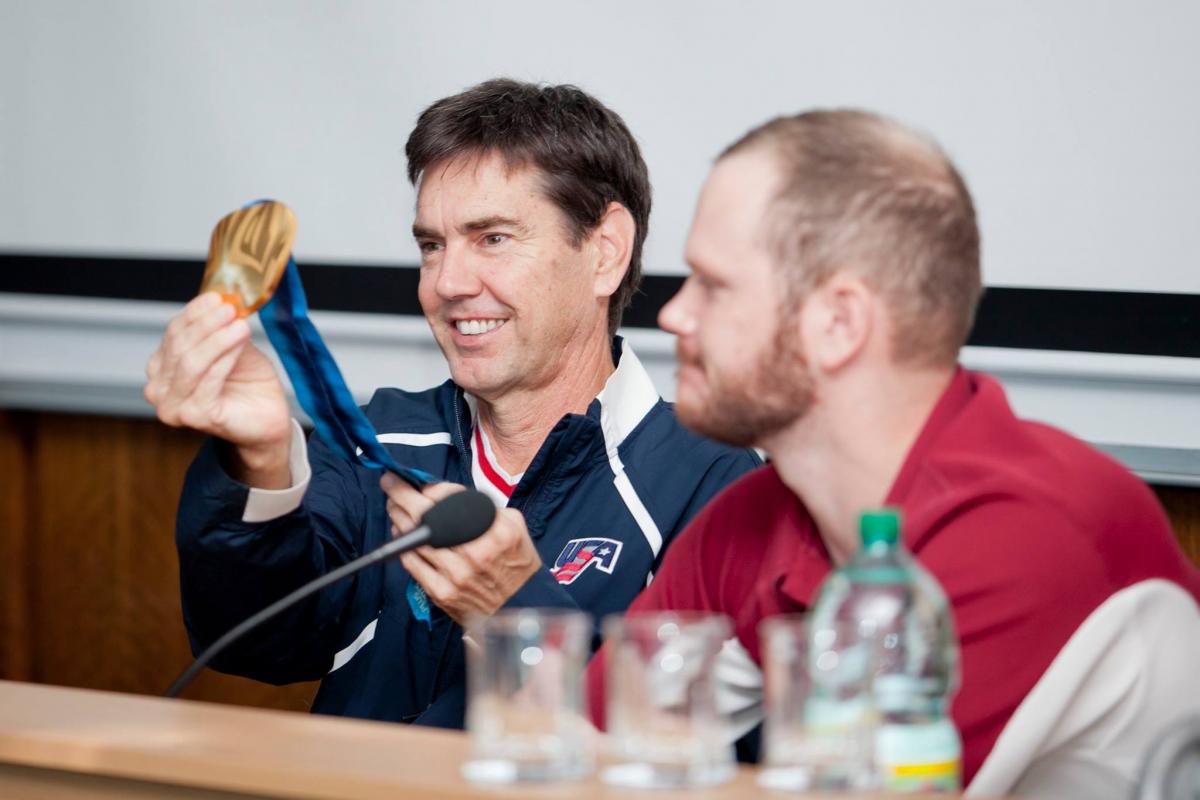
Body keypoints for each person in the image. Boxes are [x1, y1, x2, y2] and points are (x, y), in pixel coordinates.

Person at [586, 109, 1200, 787]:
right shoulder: (753, 519)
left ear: (839, 322)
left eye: (715, 285)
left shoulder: (1027, 529)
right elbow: (584, 762)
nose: (674, 314)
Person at [144, 79, 759, 726]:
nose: (447, 284)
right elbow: (254, 642)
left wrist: (518, 610)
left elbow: (696, 754)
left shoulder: (710, 483)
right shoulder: (379, 440)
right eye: (431, 246)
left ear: (605, 252)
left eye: (492, 238)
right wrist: (260, 462)